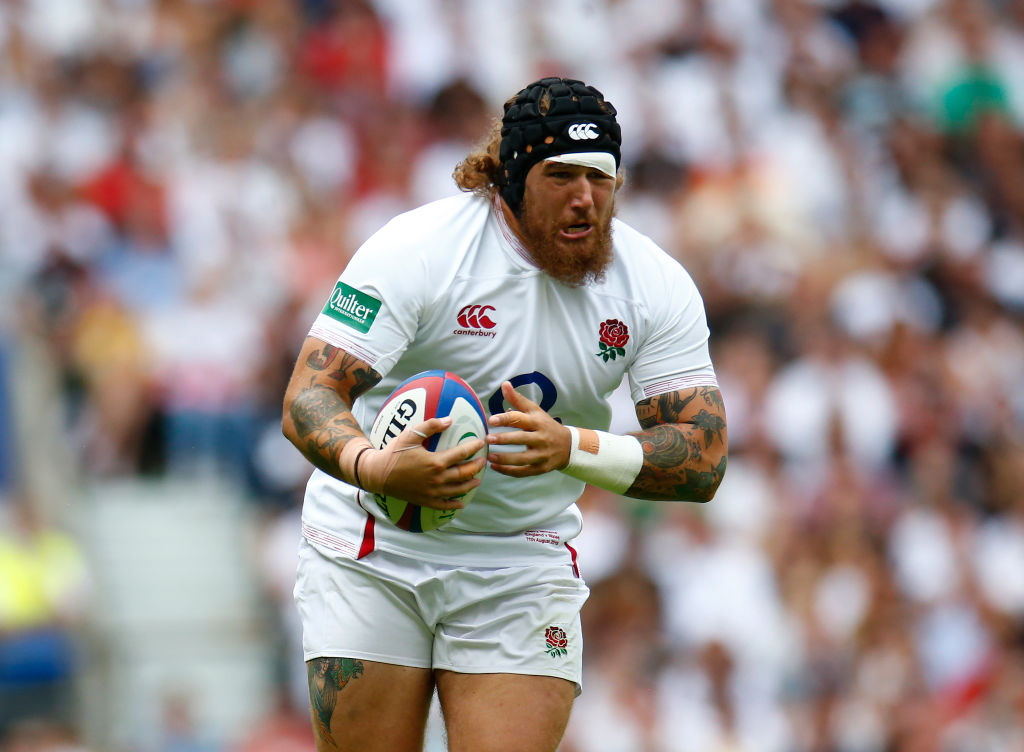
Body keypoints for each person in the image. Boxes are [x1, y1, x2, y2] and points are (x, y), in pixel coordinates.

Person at [281, 76, 728, 752]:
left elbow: (703, 454)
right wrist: (374, 466)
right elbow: (310, 396)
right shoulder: (419, 250)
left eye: (601, 177)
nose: (585, 197)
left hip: (521, 559)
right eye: (562, 176)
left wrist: (571, 447)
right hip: (373, 545)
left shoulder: (652, 285)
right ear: (511, 180)